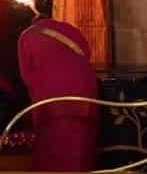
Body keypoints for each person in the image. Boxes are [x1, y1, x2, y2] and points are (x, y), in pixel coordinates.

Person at [18, 17, 99, 172]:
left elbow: (26, 76)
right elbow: (86, 52)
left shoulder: (27, 34)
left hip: (52, 98)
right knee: (81, 144)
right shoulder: (69, 29)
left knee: (53, 147)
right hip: (84, 90)